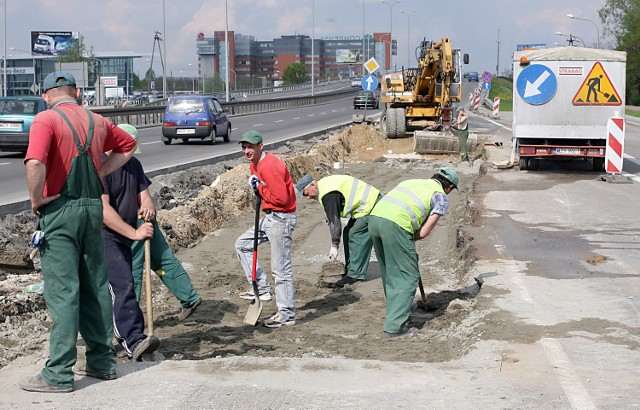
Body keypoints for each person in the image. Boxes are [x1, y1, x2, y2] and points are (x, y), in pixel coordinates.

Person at [23, 71, 137, 392]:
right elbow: (128, 144)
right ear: (76, 92)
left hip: (60, 209)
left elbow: (34, 163)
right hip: (92, 209)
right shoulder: (98, 121)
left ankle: (58, 373)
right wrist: (101, 170)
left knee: (63, 291)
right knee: (96, 285)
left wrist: (37, 199)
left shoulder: (46, 120)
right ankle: (103, 362)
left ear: (46, 95)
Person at [368, 167, 459, 339]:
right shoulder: (440, 196)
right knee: (408, 275)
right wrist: (407, 239)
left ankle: (400, 308)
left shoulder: (411, 182)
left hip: (374, 220)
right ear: (449, 187)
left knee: (391, 271)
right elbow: (424, 232)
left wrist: (406, 240)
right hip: (396, 225)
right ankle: (395, 328)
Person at [100, 123, 162, 363]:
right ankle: (132, 340)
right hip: (104, 236)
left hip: (123, 237)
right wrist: (134, 233)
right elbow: (103, 210)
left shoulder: (134, 165)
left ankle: (126, 337)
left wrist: (147, 206)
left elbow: (144, 195)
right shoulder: (102, 169)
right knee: (123, 284)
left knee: (124, 284)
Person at [234, 130, 298, 328]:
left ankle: (286, 313)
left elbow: (282, 199)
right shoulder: (256, 164)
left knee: (280, 268)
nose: (246, 151)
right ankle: (261, 288)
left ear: (260, 146)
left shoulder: (270, 166)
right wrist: (258, 188)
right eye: (244, 147)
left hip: (281, 217)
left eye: (250, 147)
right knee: (242, 245)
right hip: (270, 216)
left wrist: (259, 188)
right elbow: (266, 192)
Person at [295, 174, 381, 288]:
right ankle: (351, 270)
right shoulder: (325, 187)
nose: (307, 197)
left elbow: (335, 221)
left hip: (372, 204)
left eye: (306, 193)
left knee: (356, 234)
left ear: (312, 184)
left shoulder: (328, 194)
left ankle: (356, 274)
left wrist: (335, 245)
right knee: (347, 233)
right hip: (365, 206)